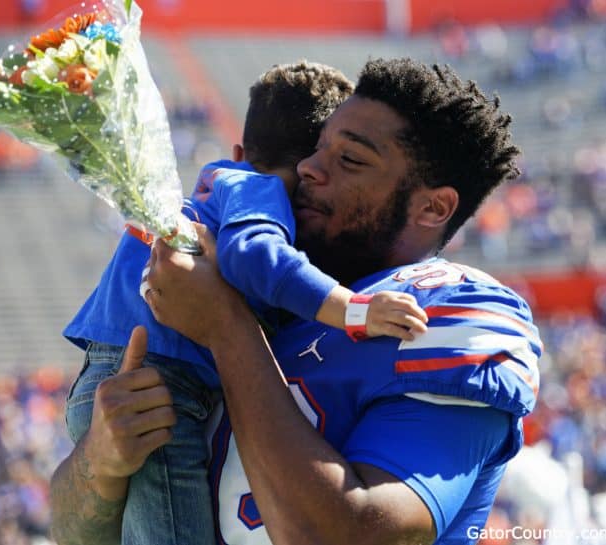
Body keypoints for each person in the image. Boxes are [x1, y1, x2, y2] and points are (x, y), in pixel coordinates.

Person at [50, 57, 541, 544]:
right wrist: (101, 462)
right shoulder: (264, 281)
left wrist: (226, 326)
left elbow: (354, 536)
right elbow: (71, 533)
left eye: (348, 159)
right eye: (316, 147)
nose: (308, 167)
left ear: (433, 206)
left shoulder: (452, 314)